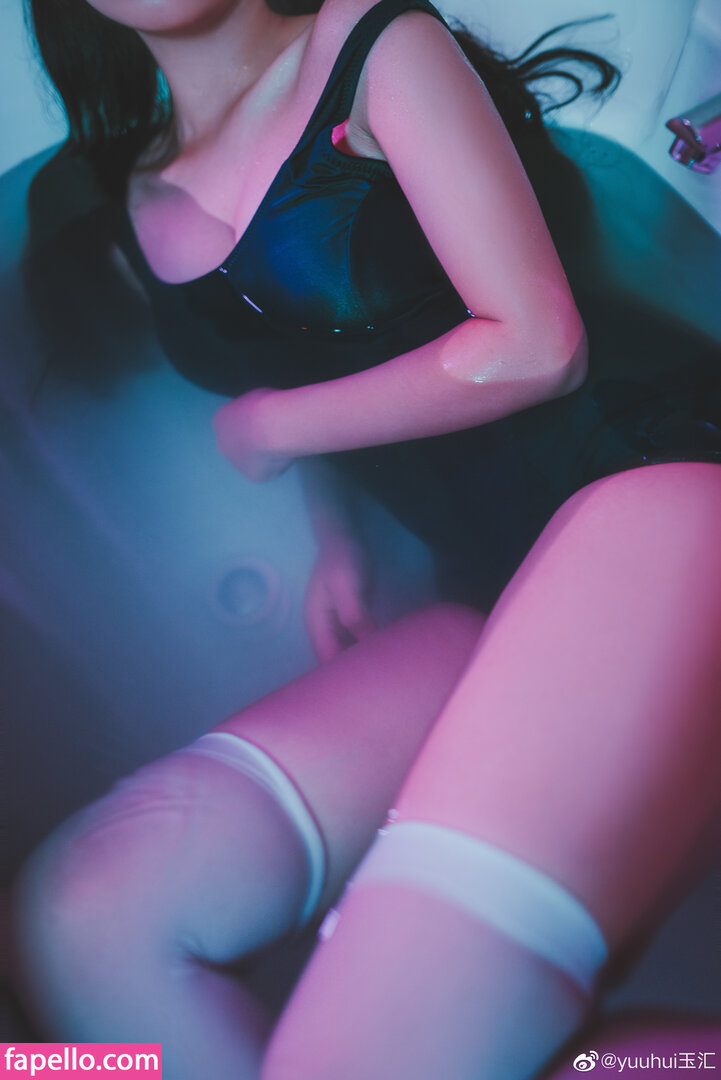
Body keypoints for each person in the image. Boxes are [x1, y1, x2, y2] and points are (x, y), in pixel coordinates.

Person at [12, 0, 721, 1078]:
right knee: (83, 922)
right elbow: (305, 349)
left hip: (656, 496)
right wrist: (337, 529)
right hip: (495, 585)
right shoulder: (126, 197)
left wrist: (272, 430)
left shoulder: (368, 44)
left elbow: (535, 345)